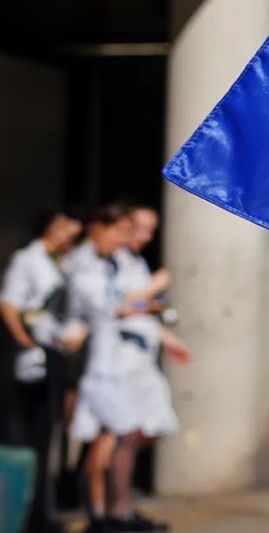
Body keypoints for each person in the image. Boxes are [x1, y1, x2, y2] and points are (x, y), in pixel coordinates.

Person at [65, 203, 175, 533]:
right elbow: (109, 306)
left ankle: (113, 514)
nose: (127, 238)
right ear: (99, 227)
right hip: (93, 365)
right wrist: (151, 293)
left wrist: (150, 311)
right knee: (113, 437)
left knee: (121, 436)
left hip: (109, 362)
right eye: (123, 231)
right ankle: (104, 516)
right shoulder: (86, 262)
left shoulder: (109, 262)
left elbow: (123, 304)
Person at [2, 206, 85, 533]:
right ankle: (25, 517)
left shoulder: (59, 262)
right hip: (30, 355)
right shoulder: (27, 259)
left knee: (46, 437)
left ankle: (40, 513)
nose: (68, 236)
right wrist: (26, 343)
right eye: (63, 228)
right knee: (26, 436)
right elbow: (9, 304)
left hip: (53, 353)